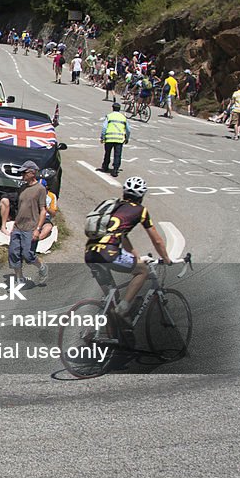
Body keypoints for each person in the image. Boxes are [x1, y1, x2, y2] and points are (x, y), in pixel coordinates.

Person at [85, 176, 173, 328]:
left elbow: (123, 237)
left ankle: (111, 337)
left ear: (124, 192)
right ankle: (124, 310)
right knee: (142, 271)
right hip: (108, 253)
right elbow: (157, 240)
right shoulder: (141, 211)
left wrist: (135, 257)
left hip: (90, 253)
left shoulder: (114, 206)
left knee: (112, 299)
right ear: (142, 195)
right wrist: (166, 258)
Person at [9, 161, 49, 288]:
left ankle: (41, 267)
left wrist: (38, 229)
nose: (22, 175)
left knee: (28, 255)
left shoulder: (40, 189)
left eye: (24, 172)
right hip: (18, 226)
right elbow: (20, 208)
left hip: (31, 227)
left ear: (32, 173)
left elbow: (43, 210)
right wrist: (14, 224)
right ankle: (19, 279)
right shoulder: (22, 188)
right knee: (14, 253)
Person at [100, 102, 130, 178]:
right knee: (117, 155)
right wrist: (127, 138)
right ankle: (115, 169)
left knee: (107, 153)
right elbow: (128, 130)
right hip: (119, 139)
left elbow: (104, 127)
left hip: (109, 138)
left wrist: (102, 137)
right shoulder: (123, 117)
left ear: (112, 108)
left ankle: (105, 166)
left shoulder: (109, 116)